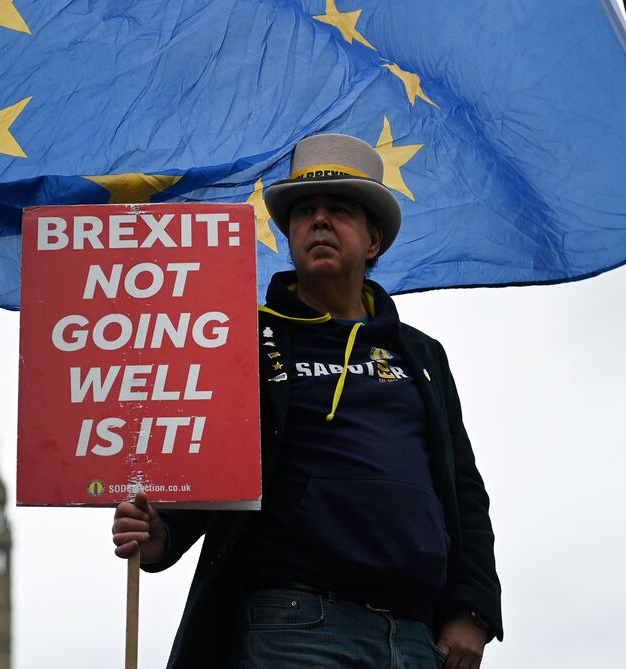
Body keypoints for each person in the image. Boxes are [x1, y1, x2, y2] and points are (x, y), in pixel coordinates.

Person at [111, 133, 502, 668]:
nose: (318, 221)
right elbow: (208, 456)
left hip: (416, 636)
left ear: (373, 242)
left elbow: (462, 491)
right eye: (303, 211)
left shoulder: (423, 355)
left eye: (339, 209)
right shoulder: (240, 338)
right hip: (295, 626)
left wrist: (474, 609)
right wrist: (165, 531)